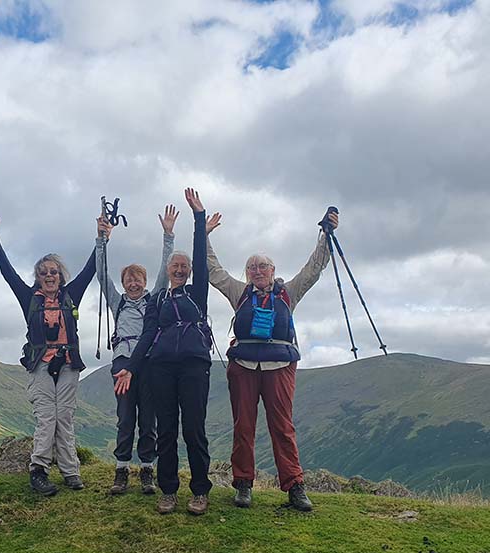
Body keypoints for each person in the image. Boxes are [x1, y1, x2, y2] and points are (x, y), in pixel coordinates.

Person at [204, 208, 340, 511]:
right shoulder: (238, 292)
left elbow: (312, 270)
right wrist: (204, 236)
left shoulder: (288, 292)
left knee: (282, 426)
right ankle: (243, 484)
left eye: (262, 266)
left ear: (273, 269)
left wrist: (326, 237)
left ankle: (295, 487)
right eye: (252, 267)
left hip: (279, 367)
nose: (257, 270)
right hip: (243, 367)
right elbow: (213, 271)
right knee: (243, 426)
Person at [0, 212, 98, 496]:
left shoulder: (72, 294)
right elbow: (8, 274)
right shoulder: (29, 297)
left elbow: (91, 269)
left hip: (68, 364)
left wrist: (102, 237)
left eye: (54, 272)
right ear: (38, 278)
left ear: (61, 276)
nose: (49, 276)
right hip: (40, 365)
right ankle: (39, 471)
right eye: (43, 273)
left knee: (64, 416)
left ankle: (70, 471)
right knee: (47, 417)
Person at [115, 188, 212, 516]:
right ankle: (168, 491)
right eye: (176, 266)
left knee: (194, 429)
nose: (181, 269)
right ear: (169, 270)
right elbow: (147, 335)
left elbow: (200, 258)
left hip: (194, 367)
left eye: (185, 266)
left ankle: (200, 491)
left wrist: (199, 220)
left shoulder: (197, 294)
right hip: (161, 369)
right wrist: (130, 365)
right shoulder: (157, 300)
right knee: (167, 430)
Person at [95, 205, 177, 495]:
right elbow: (100, 273)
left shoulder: (153, 300)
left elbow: (165, 274)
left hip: (150, 363)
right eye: (128, 279)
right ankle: (121, 470)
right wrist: (102, 239)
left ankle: (146, 469)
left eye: (137, 278)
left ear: (144, 282)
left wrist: (168, 235)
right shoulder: (118, 303)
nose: (132, 282)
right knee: (126, 415)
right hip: (121, 363)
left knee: (149, 418)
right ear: (123, 283)